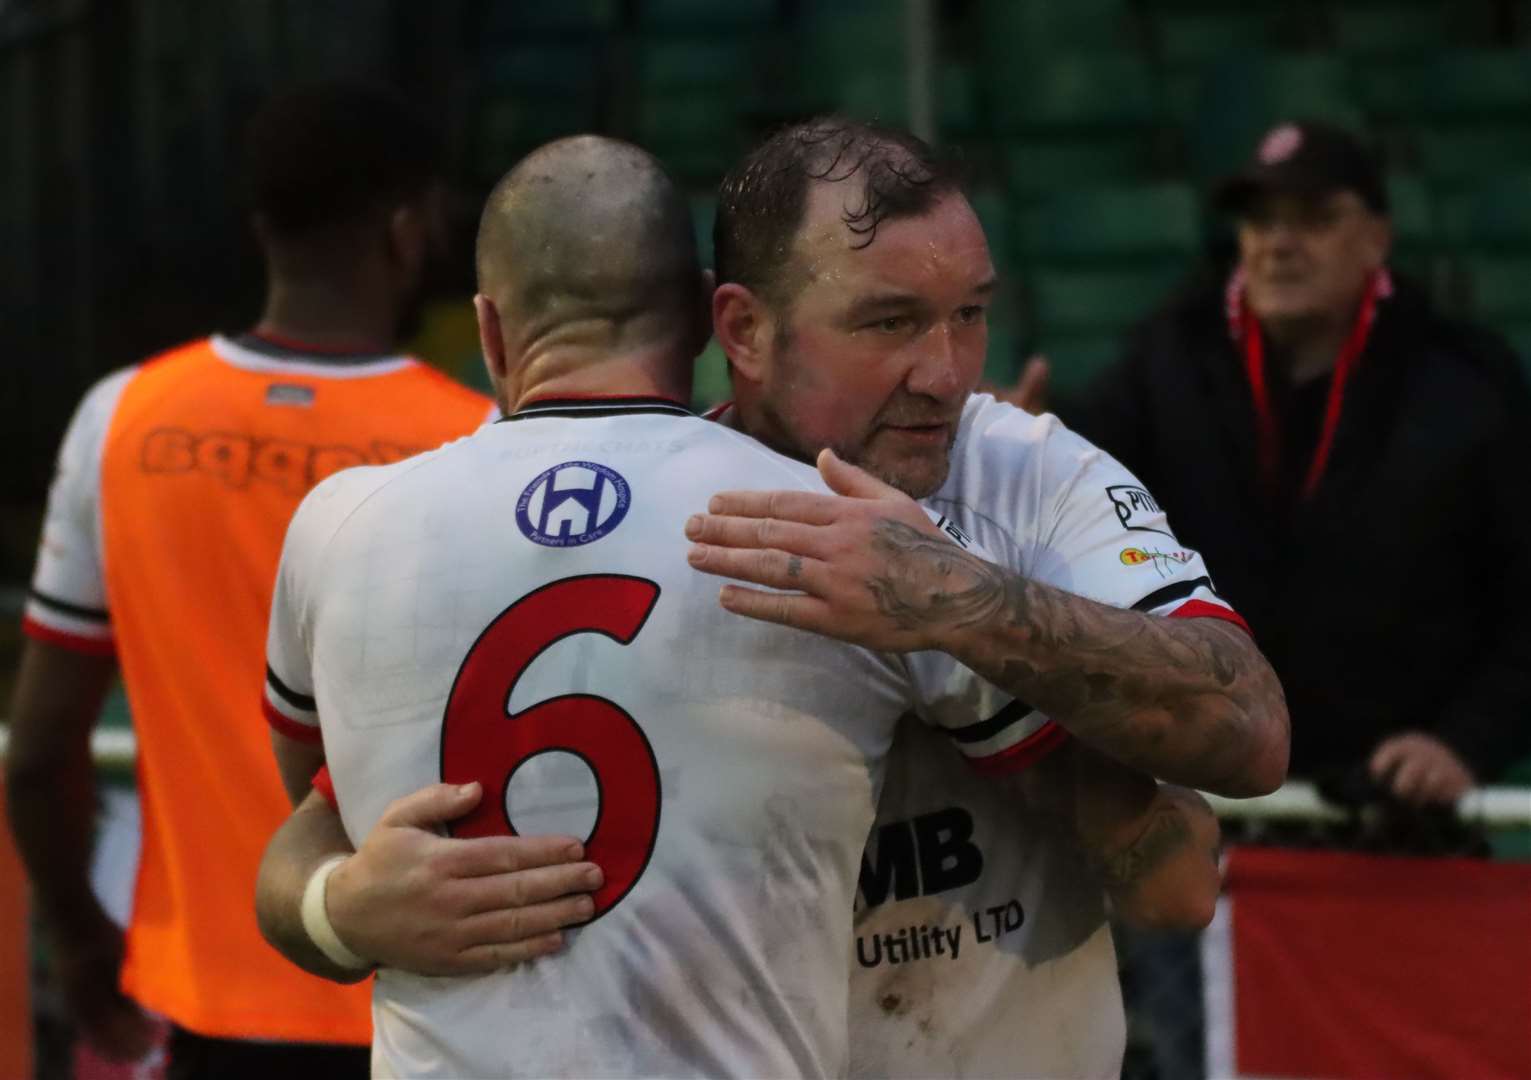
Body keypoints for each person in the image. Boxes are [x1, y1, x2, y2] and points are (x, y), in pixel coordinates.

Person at [256, 120, 1274, 1077]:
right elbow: (315, 828)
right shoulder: (683, 525)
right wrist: (337, 906)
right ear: (738, 327)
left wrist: (963, 602)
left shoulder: (1025, 475)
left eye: (970, 314)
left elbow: (1230, 766)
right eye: (889, 321)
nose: (947, 373)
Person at [5, 83, 493, 1077]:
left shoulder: (123, 419)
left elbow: (38, 753)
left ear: (261, 226)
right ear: (407, 232)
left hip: (197, 1002)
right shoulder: (473, 445)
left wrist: (84, 943)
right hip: (414, 1004)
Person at [1064, 120, 1531, 811]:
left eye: (1314, 219)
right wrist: (1019, 449)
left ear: (1375, 237)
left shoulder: (1469, 384)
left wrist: (1465, 743)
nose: (1279, 244)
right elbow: (1072, 517)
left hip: (1396, 811)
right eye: (1260, 220)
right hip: (1208, 806)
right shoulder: (1162, 363)